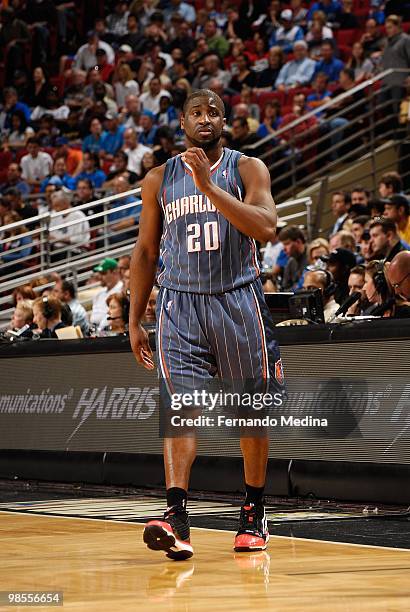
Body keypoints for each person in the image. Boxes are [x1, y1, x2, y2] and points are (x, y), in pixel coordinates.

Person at [129, 89, 284, 559]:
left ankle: (253, 511)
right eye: (196, 112)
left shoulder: (247, 168)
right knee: (180, 410)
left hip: (238, 299)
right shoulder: (159, 178)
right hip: (178, 305)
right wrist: (135, 319)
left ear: (224, 120)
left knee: (250, 412)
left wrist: (210, 190)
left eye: (213, 111)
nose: (205, 118)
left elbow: (267, 227)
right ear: (182, 123)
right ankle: (176, 517)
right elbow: (144, 252)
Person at [90, 258, 123, 331]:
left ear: (114, 272)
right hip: (95, 330)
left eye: (103, 273)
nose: (100, 277)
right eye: (99, 273)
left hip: (110, 330)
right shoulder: (98, 294)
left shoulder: (121, 290)